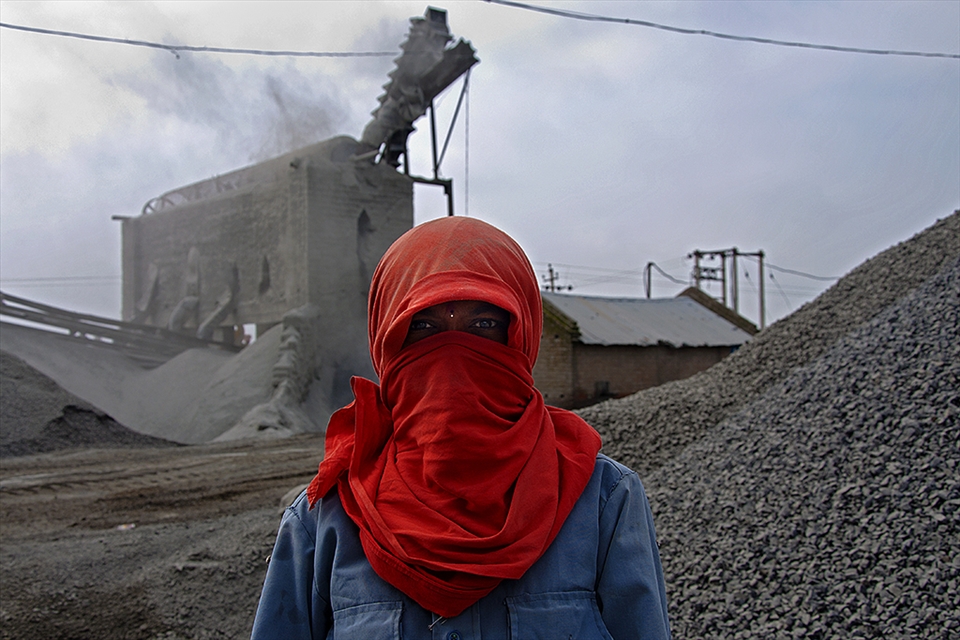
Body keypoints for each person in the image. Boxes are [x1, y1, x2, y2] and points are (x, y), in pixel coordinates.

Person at [251, 217, 671, 639]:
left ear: (521, 336)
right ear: (386, 340)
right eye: (423, 326)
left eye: (484, 325)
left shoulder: (602, 501)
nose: (454, 351)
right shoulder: (324, 519)